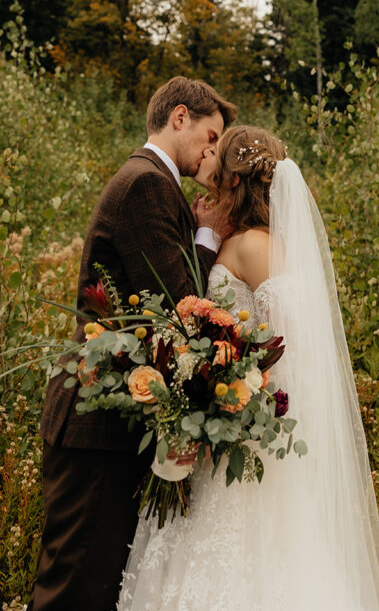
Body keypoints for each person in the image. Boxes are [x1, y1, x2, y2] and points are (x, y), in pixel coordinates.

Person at [118, 125, 379, 611]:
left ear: (233, 179)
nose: (207, 160)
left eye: (216, 156)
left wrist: (229, 397)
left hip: (242, 439)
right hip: (222, 434)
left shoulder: (255, 246)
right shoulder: (242, 238)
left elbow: (288, 350)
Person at [30, 77, 237, 611]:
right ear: (180, 117)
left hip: (107, 424)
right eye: (211, 136)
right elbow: (181, 304)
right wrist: (210, 235)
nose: (213, 152)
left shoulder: (154, 183)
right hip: (96, 427)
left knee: (91, 586)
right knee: (74, 590)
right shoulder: (146, 184)